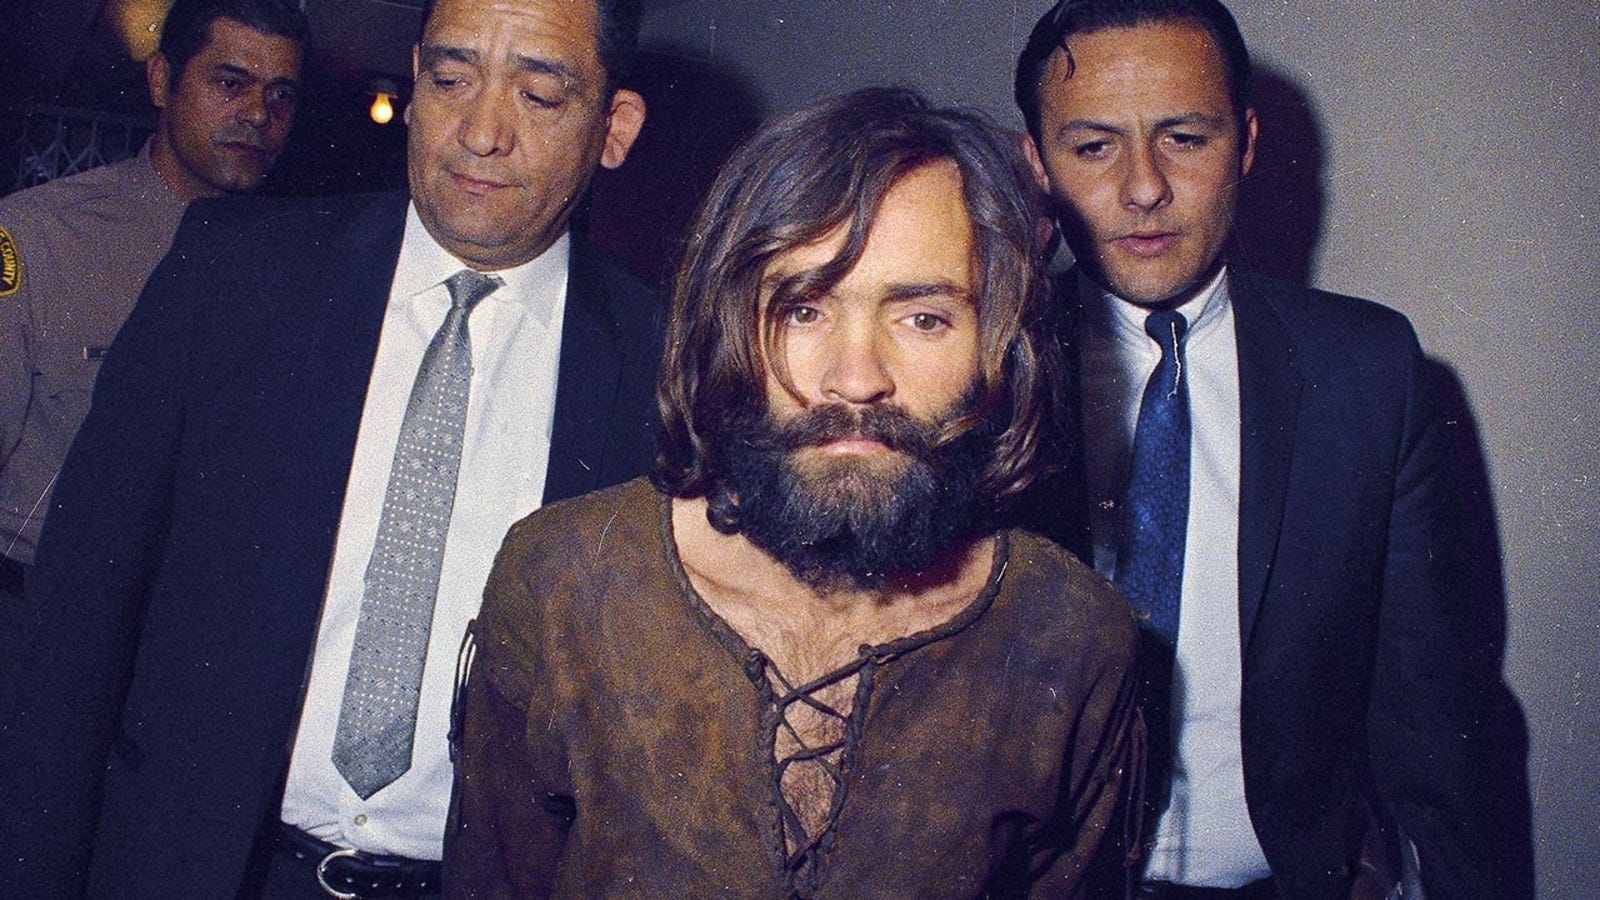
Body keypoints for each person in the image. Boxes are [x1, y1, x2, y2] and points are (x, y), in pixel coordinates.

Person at [0, 0, 656, 896]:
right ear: (416, 81)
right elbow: (76, 632)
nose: (480, 132)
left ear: (614, 128)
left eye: (538, 96)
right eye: (451, 79)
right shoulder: (233, 276)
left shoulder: (664, 371)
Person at [443, 87, 1142, 899]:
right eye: (803, 310)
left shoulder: (1071, 635)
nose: (856, 378)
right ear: (727, 323)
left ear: (1000, 345)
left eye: (923, 319)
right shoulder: (564, 580)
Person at [1014, 1, 1501, 897]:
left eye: (1184, 138)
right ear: (1037, 165)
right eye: (1093, 147)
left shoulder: (1370, 373)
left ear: (1244, 143)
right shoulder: (977, 373)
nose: (1144, 187)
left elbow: (1433, 719)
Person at [0, 0, 307, 623]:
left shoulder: (303, 269)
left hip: (197, 627)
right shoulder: (42, 236)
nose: (258, 115)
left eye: (280, 95)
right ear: (163, 81)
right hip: (36, 615)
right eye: (230, 84)